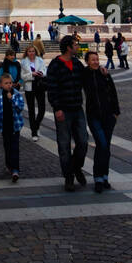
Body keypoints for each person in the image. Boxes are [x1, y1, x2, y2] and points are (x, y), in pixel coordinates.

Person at [47, 35, 88, 191]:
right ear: (69, 48)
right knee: (64, 146)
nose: (78, 47)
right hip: (63, 111)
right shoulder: (55, 65)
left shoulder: (77, 64)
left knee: (83, 142)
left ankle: (76, 167)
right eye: (75, 45)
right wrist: (57, 108)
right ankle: (69, 177)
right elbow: (52, 88)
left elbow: (87, 79)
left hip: (77, 109)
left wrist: (101, 72)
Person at [82, 51, 121, 193]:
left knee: (106, 147)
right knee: (102, 144)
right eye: (92, 60)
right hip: (94, 116)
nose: (96, 62)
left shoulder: (104, 74)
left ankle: (104, 177)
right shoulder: (84, 74)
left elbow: (113, 92)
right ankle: (98, 177)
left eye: (97, 59)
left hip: (108, 116)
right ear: (87, 61)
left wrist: (116, 112)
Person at [0, 71, 26, 182]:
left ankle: (15, 170)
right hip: (4, 125)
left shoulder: (16, 93)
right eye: (6, 83)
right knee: (7, 147)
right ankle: (9, 165)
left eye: (10, 83)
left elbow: (20, 107)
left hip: (15, 125)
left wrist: (12, 99)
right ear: (1, 85)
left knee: (15, 148)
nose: (9, 85)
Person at [19, 44, 47, 140]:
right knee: (31, 110)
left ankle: (36, 125)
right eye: (29, 51)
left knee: (42, 108)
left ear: (36, 52)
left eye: (33, 51)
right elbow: (22, 76)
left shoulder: (40, 60)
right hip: (29, 86)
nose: (31, 53)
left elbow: (45, 70)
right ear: (27, 52)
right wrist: (32, 74)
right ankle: (34, 132)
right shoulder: (23, 62)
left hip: (39, 85)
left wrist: (41, 73)